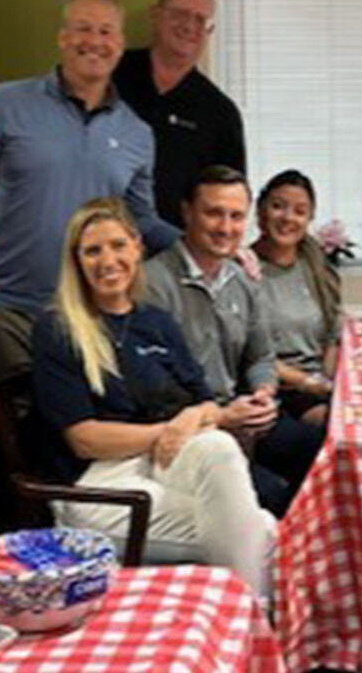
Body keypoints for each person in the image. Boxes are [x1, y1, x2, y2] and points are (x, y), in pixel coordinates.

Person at [0, 0, 178, 540]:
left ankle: (69, 558)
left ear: (120, 44)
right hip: (2, 311)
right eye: (83, 28)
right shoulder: (1, 106)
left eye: (105, 31)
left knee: (71, 453)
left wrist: (208, 245)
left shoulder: (135, 134)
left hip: (82, 323)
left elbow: (141, 221)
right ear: (62, 37)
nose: (93, 41)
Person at [31, 198, 274, 596]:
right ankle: (251, 613)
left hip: (163, 462)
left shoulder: (155, 321)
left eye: (117, 245)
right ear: (76, 262)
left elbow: (207, 403)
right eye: (92, 251)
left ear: (137, 248)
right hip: (100, 485)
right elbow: (85, 439)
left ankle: (240, 613)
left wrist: (189, 420)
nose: (107, 261)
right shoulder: (58, 329)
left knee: (217, 446)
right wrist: (171, 430)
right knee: (261, 530)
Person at [143, 165, 323, 516]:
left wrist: (263, 393)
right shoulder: (153, 284)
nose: (226, 228)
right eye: (214, 213)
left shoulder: (241, 279)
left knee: (322, 451)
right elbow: (154, 389)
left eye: (236, 216)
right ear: (186, 212)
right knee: (273, 494)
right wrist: (222, 417)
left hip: (239, 416)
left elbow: (260, 356)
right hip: (186, 429)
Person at [115, 0, 246, 228]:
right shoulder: (111, 76)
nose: (189, 26)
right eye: (180, 14)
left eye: (200, 19)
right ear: (156, 15)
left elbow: (229, 200)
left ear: (209, 31)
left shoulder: (220, 113)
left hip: (175, 245)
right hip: (101, 240)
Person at [251, 169, 342, 427]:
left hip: (317, 385)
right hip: (273, 390)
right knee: (337, 427)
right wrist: (309, 383)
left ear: (310, 218)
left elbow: (332, 335)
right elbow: (248, 354)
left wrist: (330, 382)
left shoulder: (314, 264)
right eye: (278, 206)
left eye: (300, 211)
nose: (288, 218)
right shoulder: (245, 269)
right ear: (260, 210)